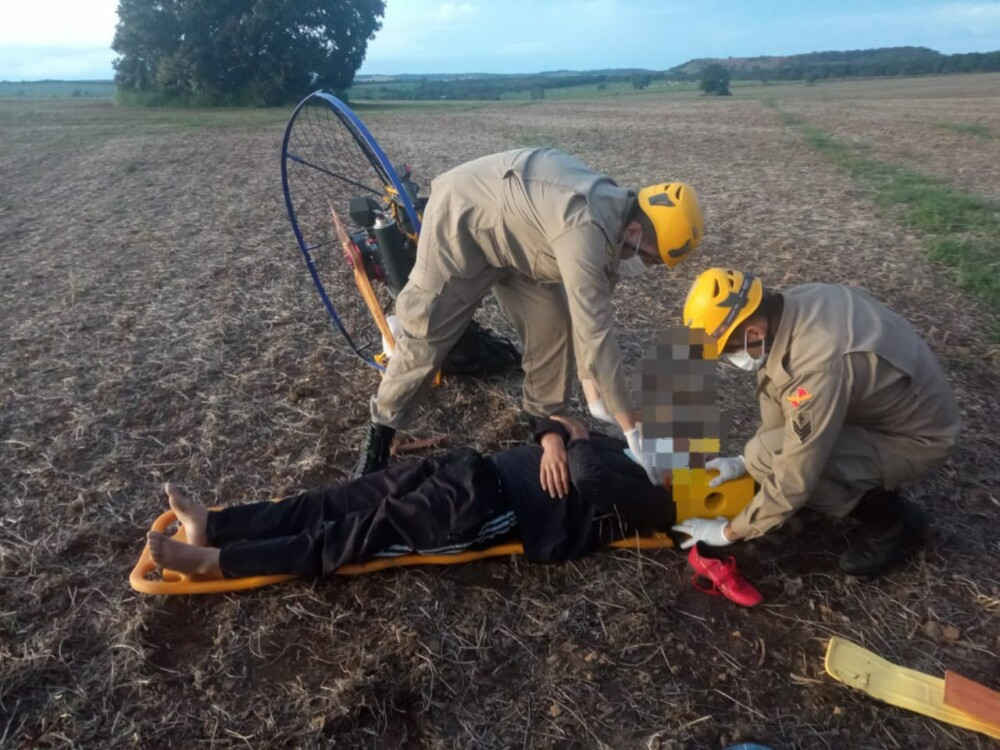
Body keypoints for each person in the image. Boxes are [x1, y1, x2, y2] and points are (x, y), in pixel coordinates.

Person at [353, 147, 704, 480]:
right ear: (635, 230)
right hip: (463, 220)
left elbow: (587, 325)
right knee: (426, 336)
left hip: (521, 242)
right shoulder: (585, 225)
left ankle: (542, 419)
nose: (647, 266)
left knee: (553, 324)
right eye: (650, 257)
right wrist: (631, 430)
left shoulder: (618, 217)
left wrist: (599, 404)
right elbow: (597, 335)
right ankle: (380, 432)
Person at [672, 268, 961, 576]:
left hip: (915, 439)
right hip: (879, 408)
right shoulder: (792, 306)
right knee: (763, 456)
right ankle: (802, 480)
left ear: (754, 332)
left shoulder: (816, 368)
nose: (729, 359)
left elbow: (797, 472)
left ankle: (895, 523)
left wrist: (731, 531)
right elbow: (777, 387)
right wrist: (747, 462)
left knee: (793, 471)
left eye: (727, 351)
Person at [148, 417, 674, 580]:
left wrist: (571, 441)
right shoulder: (629, 452)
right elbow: (552, 420)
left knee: (355, 533)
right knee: (337, 498)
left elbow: (589, 479)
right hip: (473, 467)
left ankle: (217, 562)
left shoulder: (656, 499)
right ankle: (214, 526)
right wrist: (557, 435)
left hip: (488, 512)